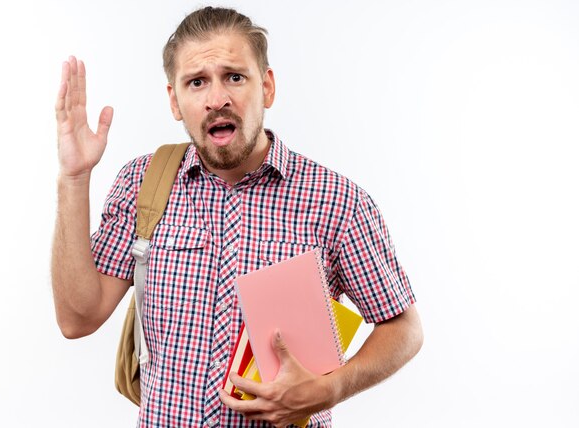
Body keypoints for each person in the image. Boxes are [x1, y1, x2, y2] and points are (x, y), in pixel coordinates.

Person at [52, 6, 423, 428]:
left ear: (266, 86)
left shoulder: (336, 200)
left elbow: (405, 329)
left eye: (234, 76)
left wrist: (329, 389)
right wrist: (74, 176)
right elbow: (77, 318)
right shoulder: (143, 183)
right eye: (197, 82)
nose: (217, 98)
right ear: (174, 100)